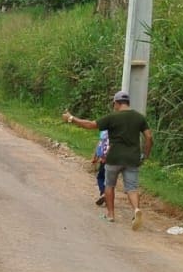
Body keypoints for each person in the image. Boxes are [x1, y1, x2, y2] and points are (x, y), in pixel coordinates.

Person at [63, 90, 153, 230]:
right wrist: (145, 154)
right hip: (132, 159)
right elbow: (149, 137)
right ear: (127, 103)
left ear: (116, 103)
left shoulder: (112, 117)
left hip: (114, 158)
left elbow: (90, 125)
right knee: (132, 188)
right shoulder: (139, 118)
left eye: (114, 104)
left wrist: (71, 118)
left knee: (109, 185)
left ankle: (111, 215)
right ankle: (136, 210)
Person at [93, 129, 109, 206]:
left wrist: (96, 157)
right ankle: (107, 197)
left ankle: (103, 193)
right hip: (116, 160)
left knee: (100, 177)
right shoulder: (120, 131)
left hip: (105, 158)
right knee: (109, 180)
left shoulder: (104, 132)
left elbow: (100, 144)